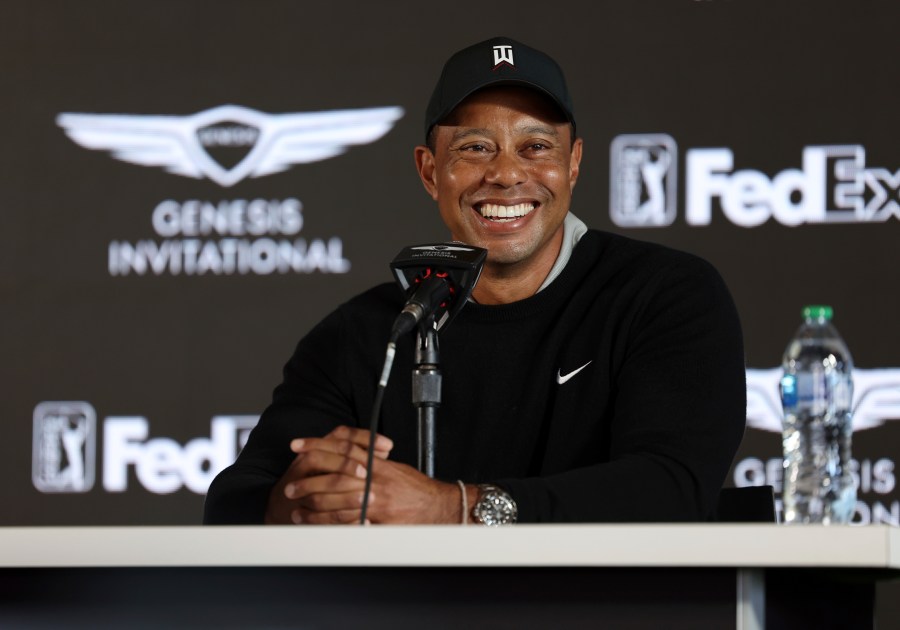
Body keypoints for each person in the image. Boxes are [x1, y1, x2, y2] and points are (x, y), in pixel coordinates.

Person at [203, 36, 746, 526]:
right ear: (429, 170)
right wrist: (299, 500)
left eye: (535, 146)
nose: (507, 174)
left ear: (574, 163)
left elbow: (672, 490)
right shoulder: (370, 332)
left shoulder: (663, 294)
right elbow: (234, 501)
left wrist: (454, 508)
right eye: (475, 147)